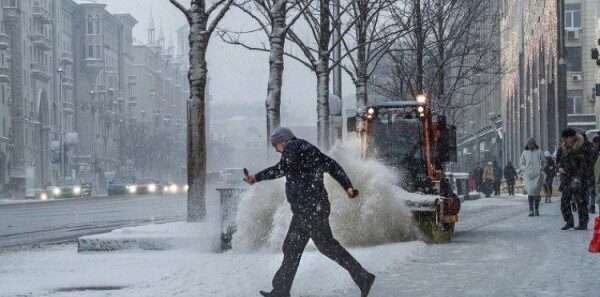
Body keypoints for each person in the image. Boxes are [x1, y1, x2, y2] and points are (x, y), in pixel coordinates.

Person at [244, 127, 375, 297]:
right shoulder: (308, 149)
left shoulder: (292, 148)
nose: (277, 150)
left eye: (276, 146)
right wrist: (347, 187)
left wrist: (257, 177)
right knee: (292, 248)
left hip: (309, 209)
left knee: (326, 246)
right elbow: (333, 166)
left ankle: (363, 276)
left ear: (283, 141)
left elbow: (281, 168)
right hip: (310, 208)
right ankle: (281, 290)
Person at [556, 128, 592, 230]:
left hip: (579, 178)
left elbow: (584, 164)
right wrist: (559, 168)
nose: (568, 140)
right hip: (566, 179)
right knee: (565, 201)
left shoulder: (582, 147)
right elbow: (557, 163)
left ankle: (583, 223)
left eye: (570, 137)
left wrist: (579, 176)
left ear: (573, 137)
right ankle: (569, 221)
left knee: (581, 201)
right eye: (566, 138)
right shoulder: (562, 149)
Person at [519, 138, 544, 217]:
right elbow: (521, 163)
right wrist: (524, 169)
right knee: (530, 193)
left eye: (532, 144)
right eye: (529, 144)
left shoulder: (539, 152)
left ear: (534, 144)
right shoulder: (525, 153)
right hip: (528, 175)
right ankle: (531, 210)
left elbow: (544, 161)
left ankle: (536, 209)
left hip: (537, 175)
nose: (530, 146)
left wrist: (541, 167)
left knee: (536, 193)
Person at [589, 135, 600, 213]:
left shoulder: (593, 151)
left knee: (593, 192)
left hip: (595, 175)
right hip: (595, 174)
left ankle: (592, 206)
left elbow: (591, 164)